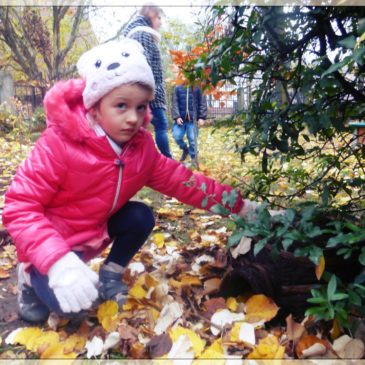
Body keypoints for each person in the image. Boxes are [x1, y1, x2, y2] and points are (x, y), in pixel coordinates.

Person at [3, 39, 260, 324]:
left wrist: (241, 207)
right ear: (95, 107)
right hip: (55, 242)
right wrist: (58, 264)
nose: (133, 118)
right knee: (73, 311)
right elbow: (20, 206)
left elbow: (184, 182)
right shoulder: (60, 144)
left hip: (95, 228)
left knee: (140, 216)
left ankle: (110, 274)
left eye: (141, 107)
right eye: (121, 105)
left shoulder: (141, 149)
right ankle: (29, 278)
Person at [123, 3, 172, 158]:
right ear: (150, 14)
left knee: (141, 128)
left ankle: (138, 160)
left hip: (148, 90)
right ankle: (167, 161)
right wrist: (149, 92)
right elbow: (144, 66)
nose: (160, 22)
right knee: (160, 125)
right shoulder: (141, 34)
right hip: (150, 92)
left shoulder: (140, 33)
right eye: (158, 17)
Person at [172, 84, 207, 165]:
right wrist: (177, 117)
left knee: (192, 139)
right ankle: (185, 149)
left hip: (193, 119)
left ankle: (194, 158)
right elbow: (175, 103)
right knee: (176, 136)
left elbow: (202, 102)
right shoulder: (178, 87)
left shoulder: (198, 86)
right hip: (181, 119)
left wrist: (202, 117)